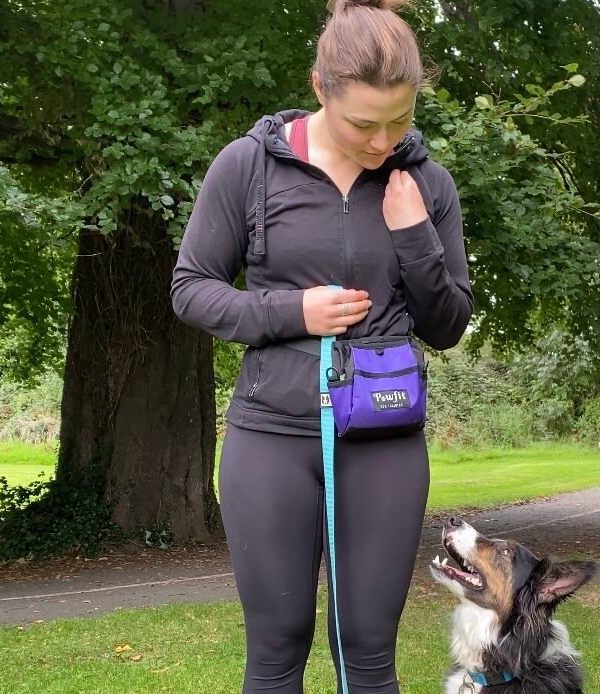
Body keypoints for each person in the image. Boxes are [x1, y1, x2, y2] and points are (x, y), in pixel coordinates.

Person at [171, 0, 473, 691]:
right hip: (270, 437)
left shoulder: (425, 182)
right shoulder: (248, 167)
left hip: (385, 442)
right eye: (364, 123)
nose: (382, 141)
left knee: (367, 650)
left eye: (401, 121)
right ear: (320, 89)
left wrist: (415, 236)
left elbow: (448, 323)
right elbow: (191, 288)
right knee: (277, 649)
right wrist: (293, 310)